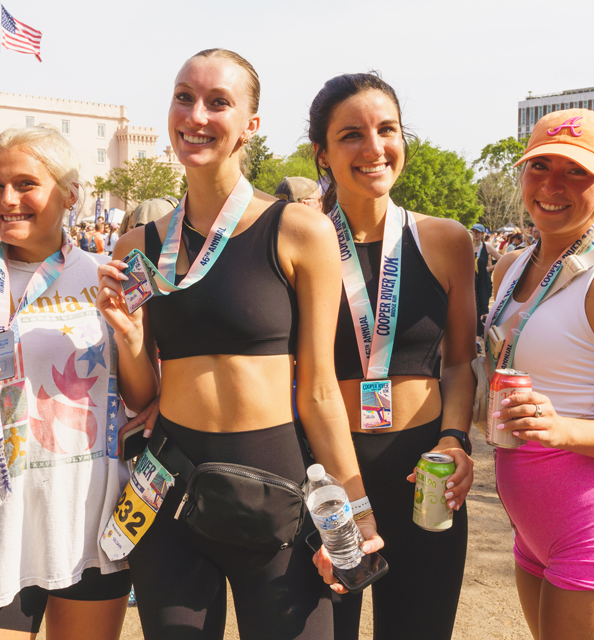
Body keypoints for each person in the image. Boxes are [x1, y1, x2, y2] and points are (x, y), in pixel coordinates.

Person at [97, 49, 382, 639]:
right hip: (168, 488)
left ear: (251, 124)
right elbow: (142, 393)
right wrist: (128, 342)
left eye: (218, 102)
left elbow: (322, 390)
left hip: (276, 487)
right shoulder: (136, 247)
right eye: (184, 97)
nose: (196, 114)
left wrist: (355, 505)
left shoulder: (300, 231)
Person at [0, 125, 132, 638]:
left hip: (86, 527)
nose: (6, 200)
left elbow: (140, 398)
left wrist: (137, 341)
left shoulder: (104, 277)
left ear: (69, 194)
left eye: (25, 184)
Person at [309, 73, 476, 640]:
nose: (374, 148)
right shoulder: (296, 242)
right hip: (324, 478)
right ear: (323, 154)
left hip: (422, 472)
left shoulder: (448, 240)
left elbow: (457, 363)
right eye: (351, 134)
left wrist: (455, 439)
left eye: (387, 129)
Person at [488, 108, 594, 640]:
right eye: (540, 165)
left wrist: (564, 430)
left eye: (577, 171)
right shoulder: (509, 266)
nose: (552, 184)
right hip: (532, 531)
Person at [471, 223, 501, 335]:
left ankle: (478, 339)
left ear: (483, 234)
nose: (475, 234)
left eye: (477, 232)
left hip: (484, 282)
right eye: (473, 231)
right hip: (471, 282)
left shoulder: (486, 247)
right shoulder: (467, 246)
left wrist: (487, 269)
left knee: (481, 307)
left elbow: (501, 260)